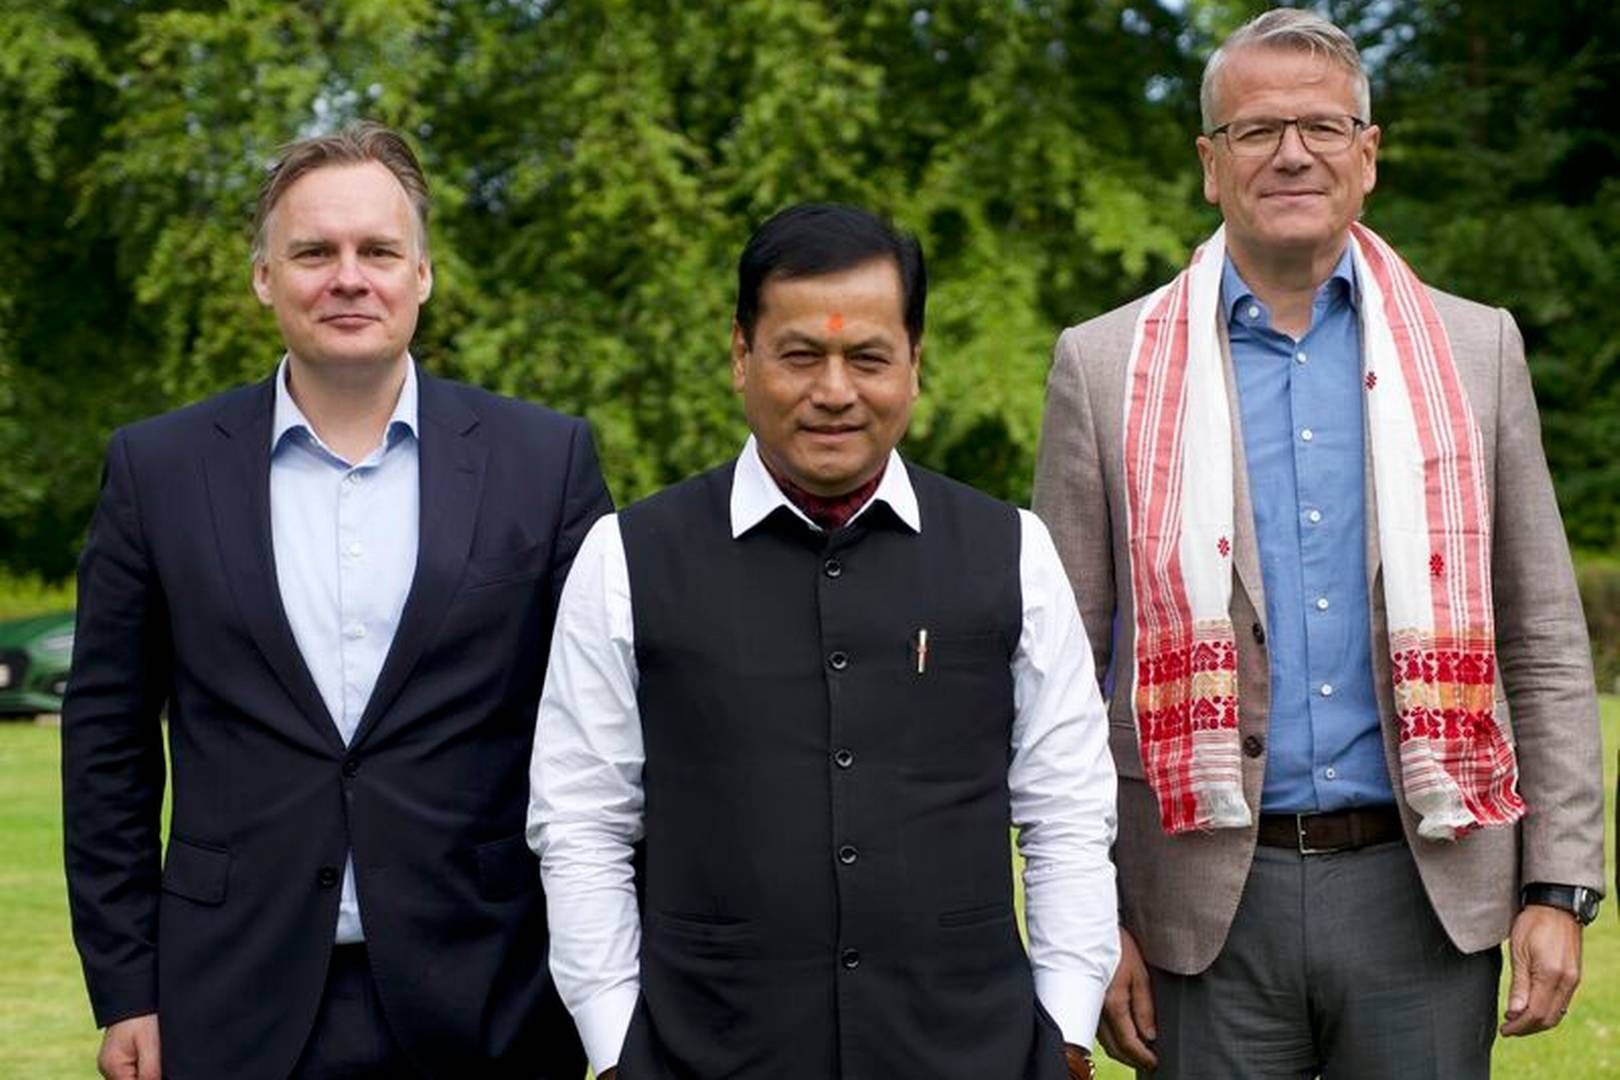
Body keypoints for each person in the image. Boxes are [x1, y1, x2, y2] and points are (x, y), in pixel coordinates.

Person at [1032, 9, 1606, 1078]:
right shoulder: (1102, 367)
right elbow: (1057, 674)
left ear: (1368, 156)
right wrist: (1088, 922)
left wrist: (1558, 886)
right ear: (1210, 165)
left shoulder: (1477, 350)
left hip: (1425, 895)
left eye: (1323, 127)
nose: (1292, 152)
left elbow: (1543, 639)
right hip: (1197, 911)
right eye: (1256, 132)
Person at [62, 122, 609, 1080]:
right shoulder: (157, 469)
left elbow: (602, 741)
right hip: (229, 997)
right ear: (265, 278)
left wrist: (608, 988)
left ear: (424, 274)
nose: (347, 277)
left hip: (493, 995)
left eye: (378, 251)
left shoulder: (544, 463)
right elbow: (106, 742)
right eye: (314, 251)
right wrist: (125, 986)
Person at [528, 203, 1119, 1080]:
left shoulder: (1011, 549)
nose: (835, 390)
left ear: (915, 364)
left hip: (972, 1052)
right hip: (705, 1054)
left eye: (868, 357)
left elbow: (1066, 808)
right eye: (801, 355)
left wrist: (1066, 1026)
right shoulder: (628, 557)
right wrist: (615, 1045)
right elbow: (581, 821)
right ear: (741, 356)